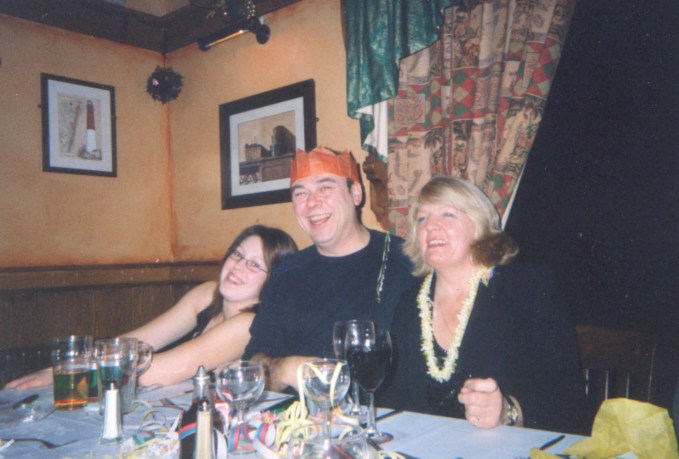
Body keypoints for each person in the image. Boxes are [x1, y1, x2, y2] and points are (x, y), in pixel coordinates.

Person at [378, 176, 586, 433]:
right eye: (422, 219)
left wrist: (509, 411)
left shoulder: (526, 288)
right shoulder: (410, 304)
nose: (430, 226)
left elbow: (567, 397)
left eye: (447, 214)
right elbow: (393, 399)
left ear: (479, 225)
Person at [5, 225, 297, 389]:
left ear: (274, 281)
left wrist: (62, 377)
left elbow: (157, 372)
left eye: (255, 265)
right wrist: (58, 369)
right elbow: (137, 342)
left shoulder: (249, 324)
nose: (238, 267)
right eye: (237, 254)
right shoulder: (207, 294)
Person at [243, 146, 418, 392]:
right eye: (300, 193)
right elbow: (254, 365)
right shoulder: (286, 274)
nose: (312, 202)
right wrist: (284, 369)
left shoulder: (407, 261)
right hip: (300, 413)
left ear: (356, 194)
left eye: (325, 188)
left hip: (387, 413)